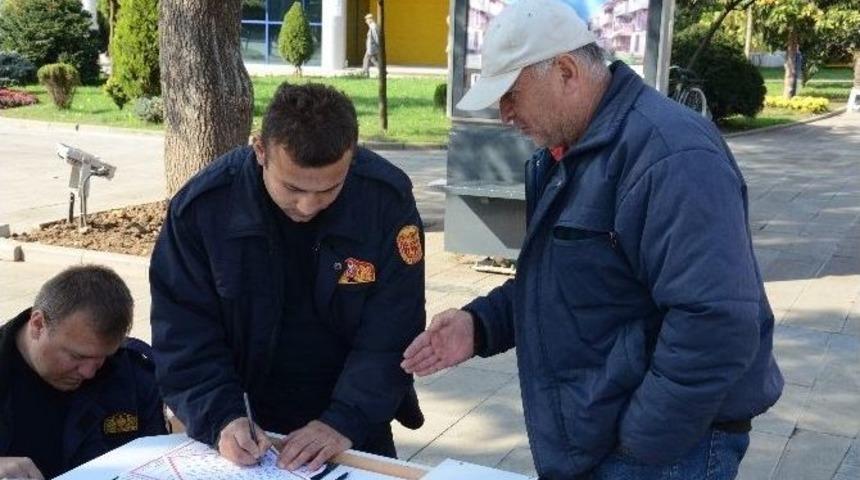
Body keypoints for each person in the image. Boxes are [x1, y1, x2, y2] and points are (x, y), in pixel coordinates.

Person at [401, 1, 783, 479]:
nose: (505, 115)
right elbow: (564, 280)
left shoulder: (669, 155)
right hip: (609, 436)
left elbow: (716, 321)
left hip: (663, 452)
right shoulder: (571, 150)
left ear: (565, 71)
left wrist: (639, 442)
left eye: (511, 94)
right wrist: (481, 325)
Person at [150, 82, 425, 472]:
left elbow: (394, 328)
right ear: (260, 149)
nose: (308, 205)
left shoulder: (385, 200)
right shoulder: (203, 209)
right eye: (293, 187)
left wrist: (344, 420)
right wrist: (221, 417)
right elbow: (183, 333)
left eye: (330, 188)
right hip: (245, 420)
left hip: (353, 420)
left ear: (353, 154)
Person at [0, 265, 167, 480]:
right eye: (77, 357)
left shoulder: (133, 376)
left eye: (102, 358)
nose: (89, 372)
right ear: (38, 324)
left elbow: (158, 461)